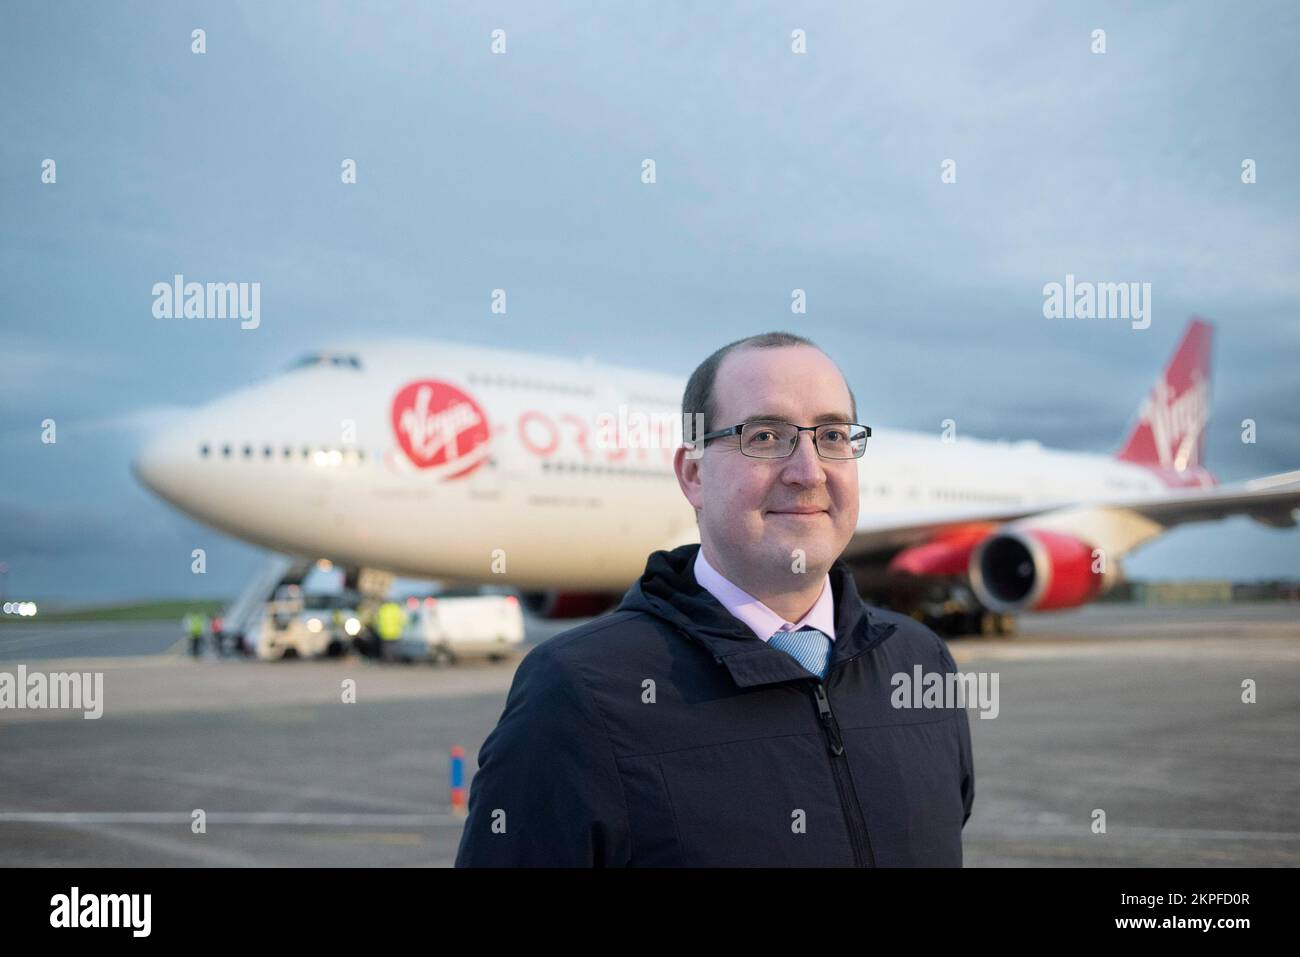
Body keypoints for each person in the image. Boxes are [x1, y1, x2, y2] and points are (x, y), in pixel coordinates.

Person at [455, 331, 975, 867]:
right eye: (766, 436)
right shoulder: (577, 693)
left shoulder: (921, 661)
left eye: (833, 436)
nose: (808, 471)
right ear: (694, 474)